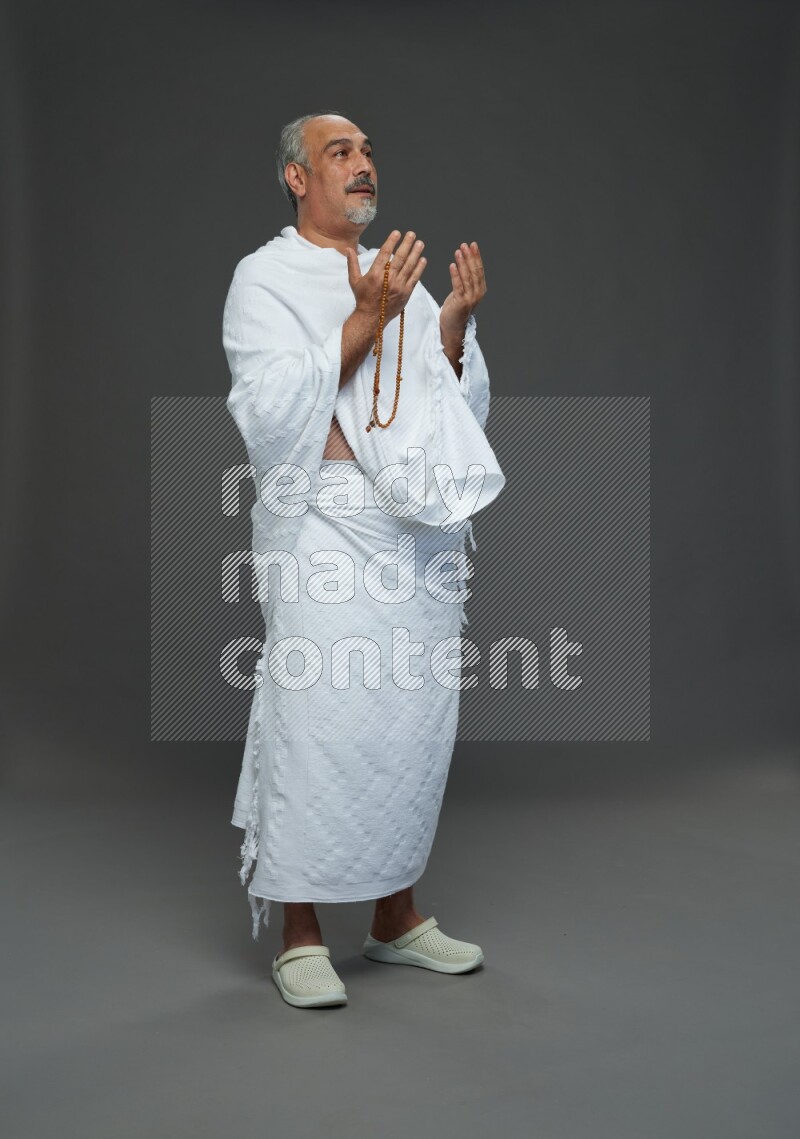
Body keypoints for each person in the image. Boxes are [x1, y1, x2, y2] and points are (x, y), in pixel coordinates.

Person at [222, 111, 505, 1008]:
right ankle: (300, 930)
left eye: (369, 151)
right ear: (297, 178)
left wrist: (449, 324)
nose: (362, 165)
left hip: (410, 538)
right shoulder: (262, 279)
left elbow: (445, 407)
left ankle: (393, 918)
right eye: (339, 152)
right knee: (317, 715)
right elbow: (266, 412)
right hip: (324, 528)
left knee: (406, 724)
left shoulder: (406, 283)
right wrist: (367, 314)